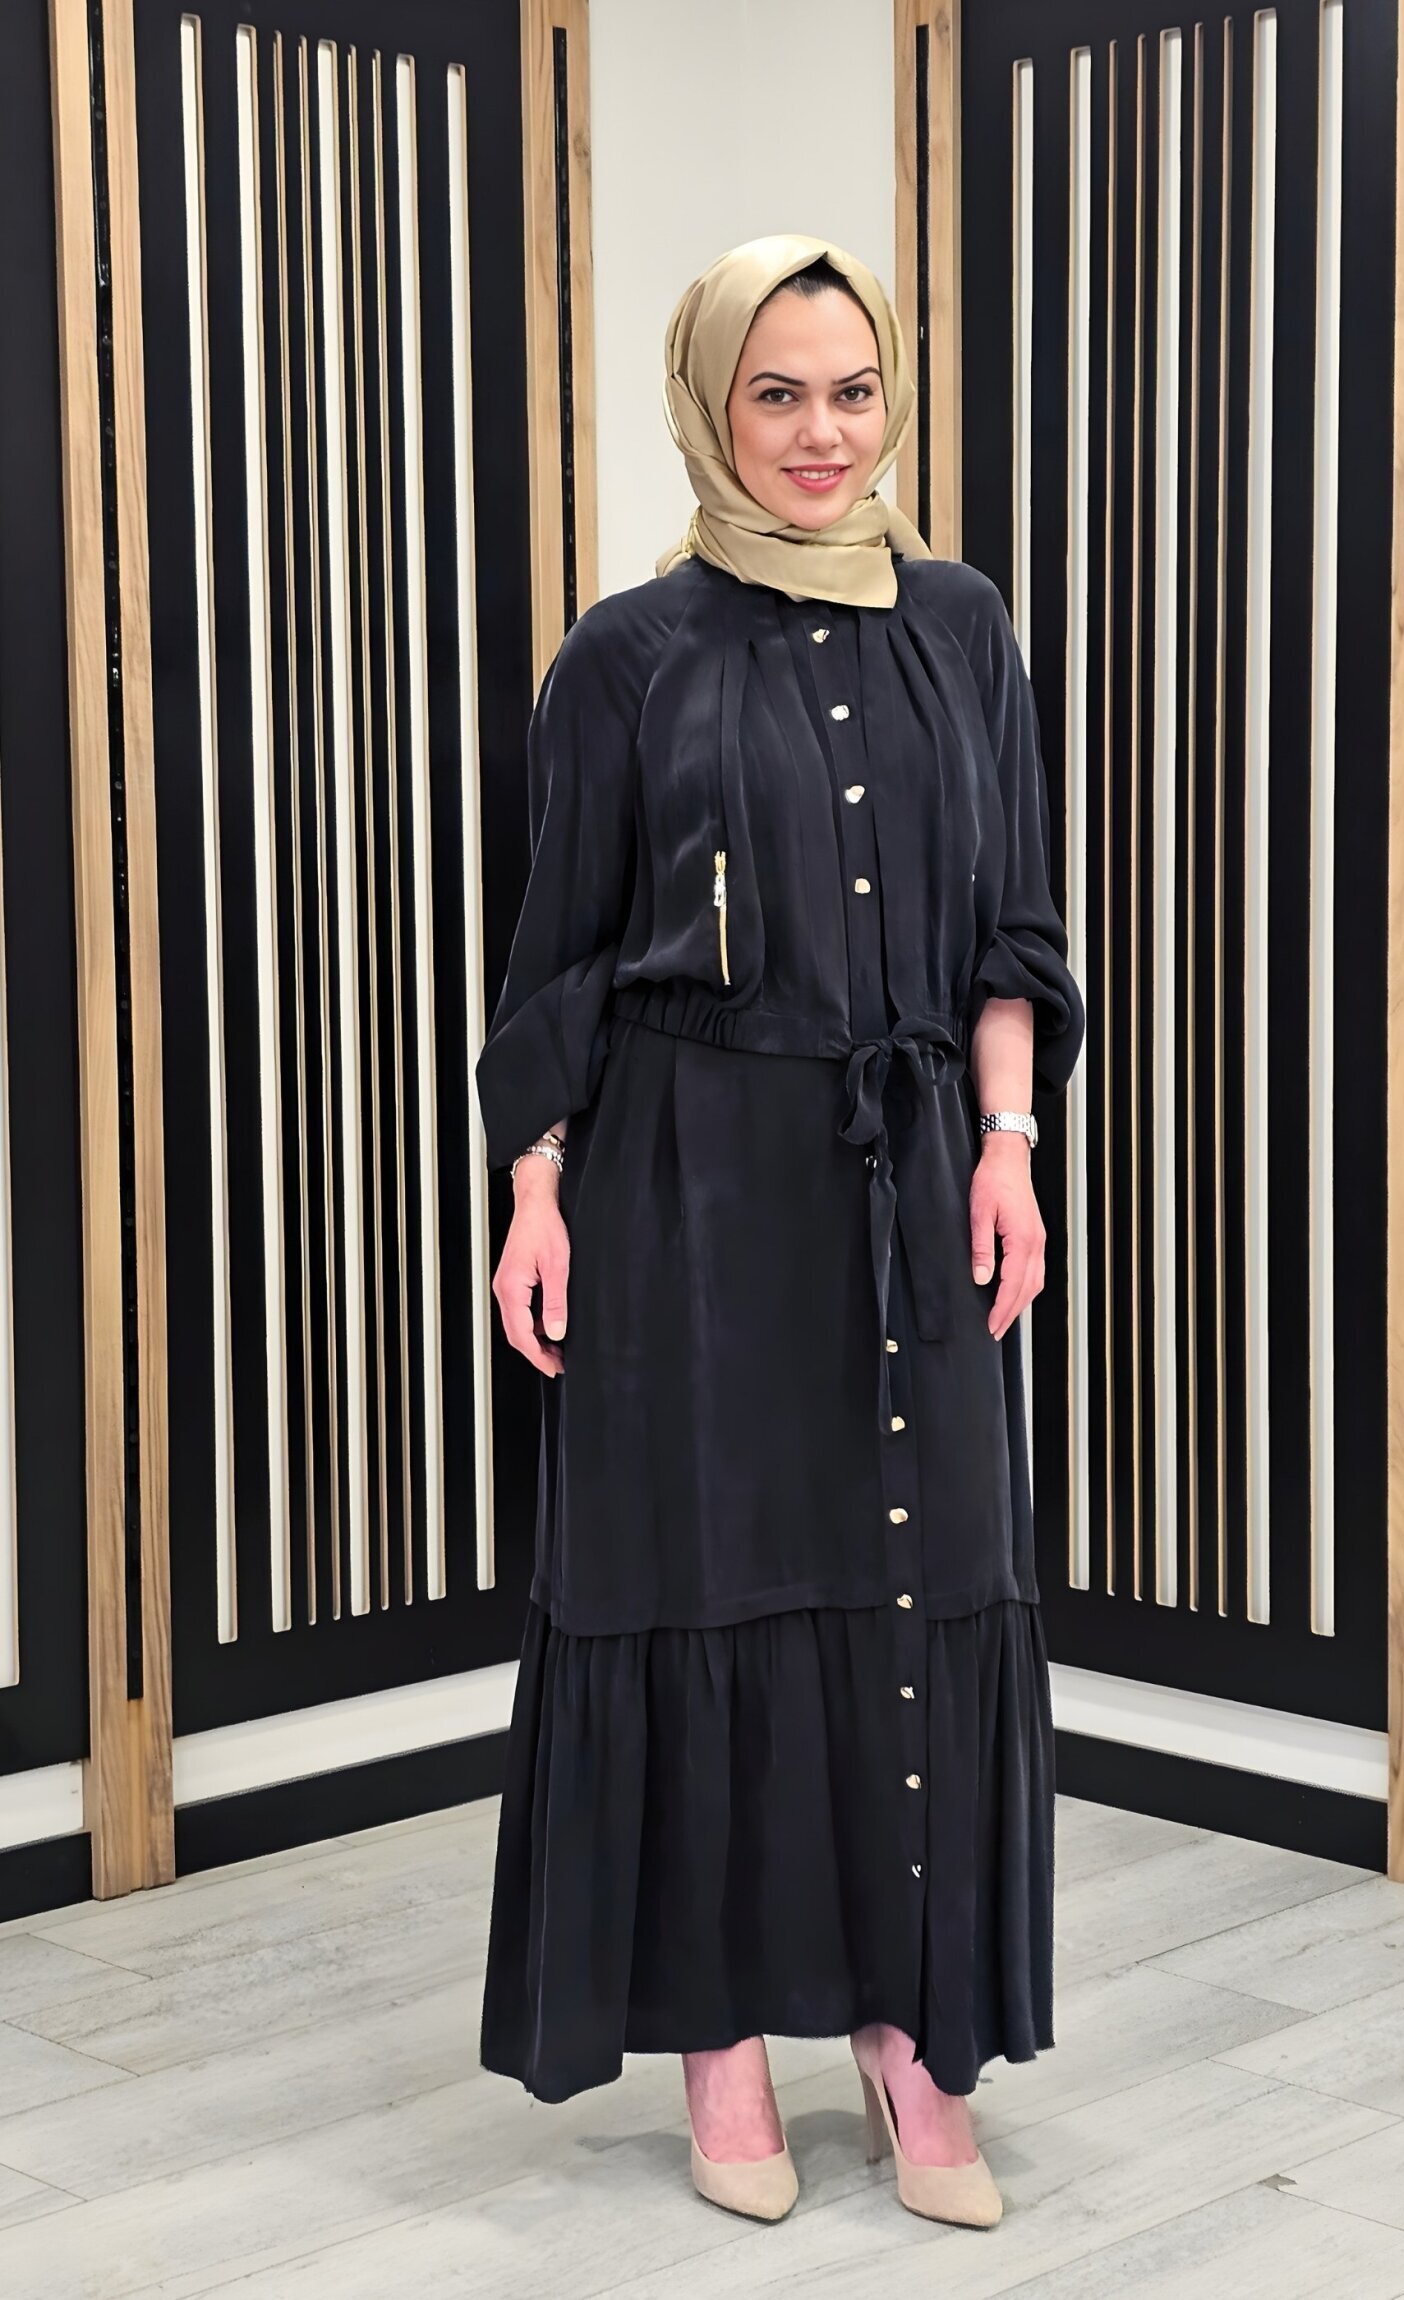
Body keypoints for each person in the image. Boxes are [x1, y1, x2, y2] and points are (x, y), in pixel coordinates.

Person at [474, 232, 1085, 2231]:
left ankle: (915, 2039)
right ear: (710, 405)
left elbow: (1011, 923)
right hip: (681, 1182)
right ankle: (722, 2040)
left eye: (853, 391)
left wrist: (1008, 1143)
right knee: (707, 1589)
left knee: (924, 1579)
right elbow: (559, 959)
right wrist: (536, 1191)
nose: (823, 434)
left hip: (908, 1165)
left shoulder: (962, 626)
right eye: (778, 394)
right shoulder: (625, 655)